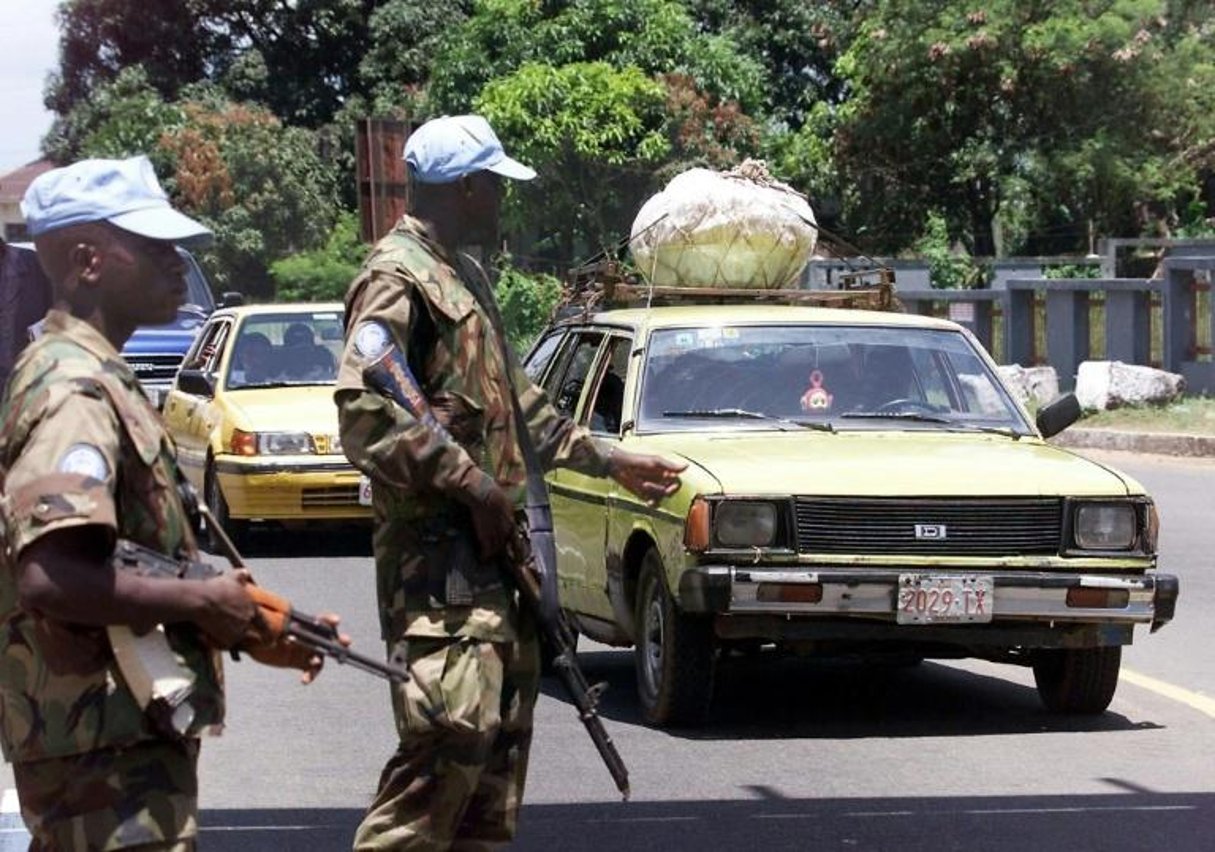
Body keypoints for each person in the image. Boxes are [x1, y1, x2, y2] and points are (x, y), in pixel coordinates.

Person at [336, 115, 686, 850]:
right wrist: (473, 486)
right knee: (437, 770)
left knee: (487, 795)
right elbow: (365, 417)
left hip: (497, 580)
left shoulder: (464, 276)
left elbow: (519, 411)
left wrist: (612, 461)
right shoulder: (395, 278)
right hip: (442, 584)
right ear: (465, 188)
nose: (502, 201)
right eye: (495, 185)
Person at [0, 156, 339, 850]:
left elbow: (127, 554)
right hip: (99, 758)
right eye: (153, 245)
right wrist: (205, 605)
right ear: (87, 260)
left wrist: (241, 615)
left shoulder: (98, 374)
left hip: (115, 745)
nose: (177, 260)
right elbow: (51, 575)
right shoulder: (73, 389)